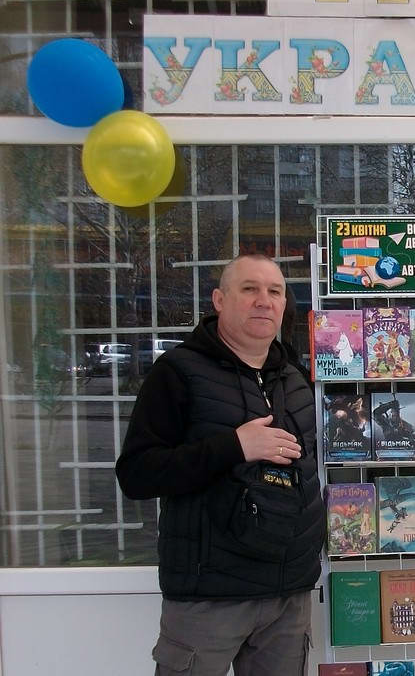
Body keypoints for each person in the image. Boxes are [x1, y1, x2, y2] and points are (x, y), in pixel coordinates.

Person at [116, 254, 325, 675]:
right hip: (209, 596)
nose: (264, 300)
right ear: (219, 300)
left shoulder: (295, 377)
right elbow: (137, 474)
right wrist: (234, 446)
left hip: (287, 594)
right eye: (249, 289)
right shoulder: (178, 372)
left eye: (275, 291)